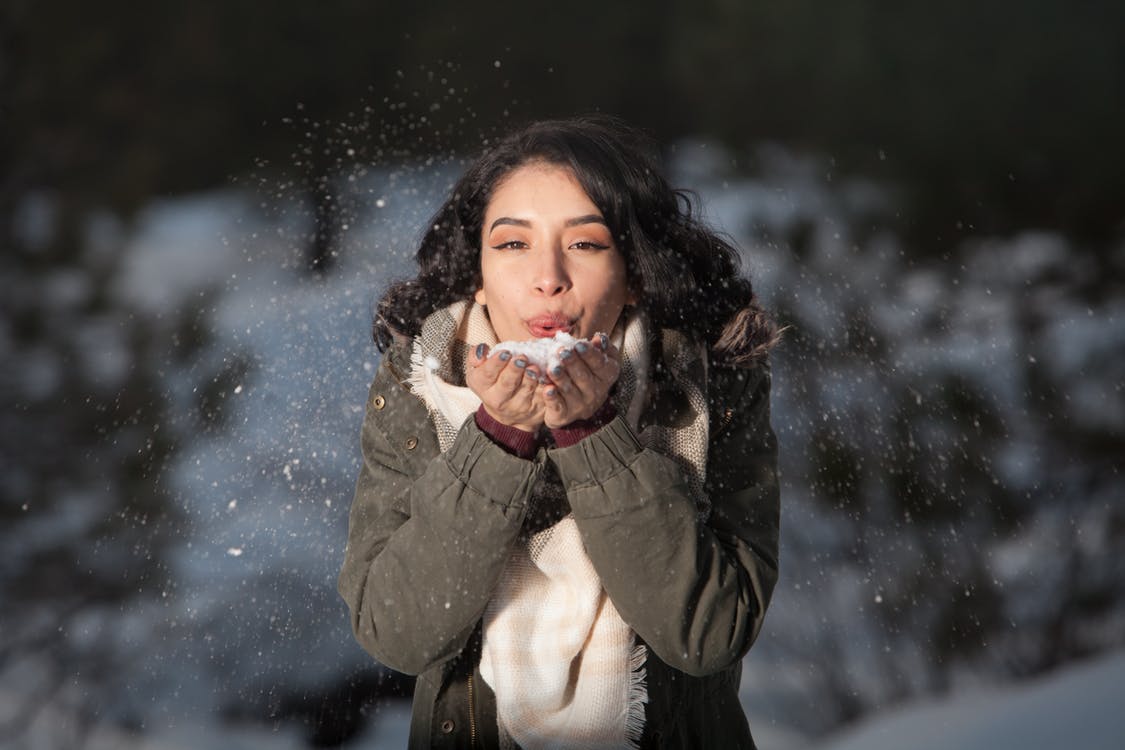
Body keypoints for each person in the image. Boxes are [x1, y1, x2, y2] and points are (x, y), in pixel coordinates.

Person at [338, 115, 781, 749]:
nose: (548, 276)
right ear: (477, 272)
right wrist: (496, 439)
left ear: (635, 272)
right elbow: (398, 632)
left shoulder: (709, 384)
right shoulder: (421, 381)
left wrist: (594, 435)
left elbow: (707, 634)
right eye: (513, 244)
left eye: (586, 244)